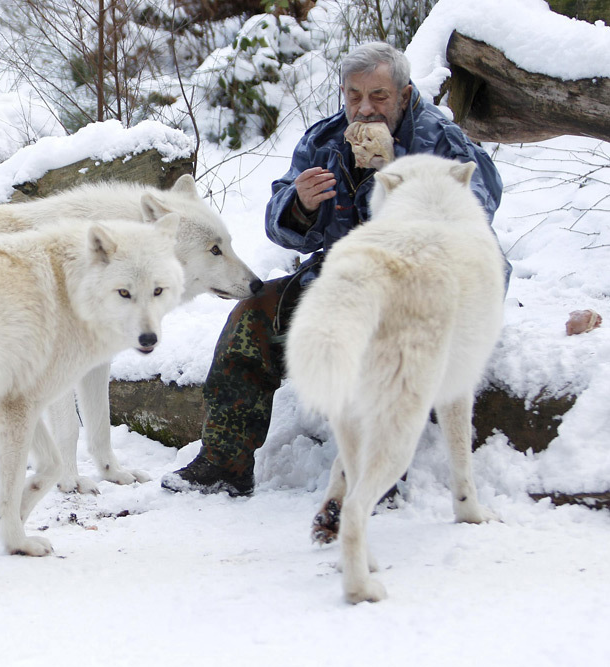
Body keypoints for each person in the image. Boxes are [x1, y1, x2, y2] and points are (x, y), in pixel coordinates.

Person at [161, 41, 510, 497]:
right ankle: (224, 464)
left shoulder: (443, 143)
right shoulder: (325, 141)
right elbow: (279, 225)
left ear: (404, 95)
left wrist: (398, 174)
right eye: (354, 96)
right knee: (252, 318)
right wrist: (300, 205)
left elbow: (475, 220)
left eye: (379, 97)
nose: (364, 109)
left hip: (425, 292)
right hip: (343, 278)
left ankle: (374, 476)